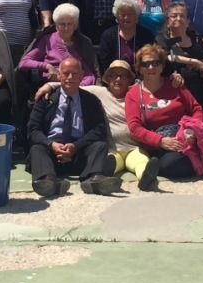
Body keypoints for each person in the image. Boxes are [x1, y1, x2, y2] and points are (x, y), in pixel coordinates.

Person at [33, 60, 160, 191]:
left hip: (127, 147)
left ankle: (144, 179)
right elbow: (70, 84)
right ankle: (50, 181)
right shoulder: (97, 92)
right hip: (108, 149)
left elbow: (155, 88)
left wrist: (175, 78)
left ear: (130, 79)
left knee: (134, 159)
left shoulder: (136, 94)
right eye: (113, 75)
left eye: (123, 76)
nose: (118, 79)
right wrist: (49, 85)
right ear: (108, 78)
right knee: (37, 148)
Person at [126, 45, 203, 179]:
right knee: (171, 166)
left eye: (155, 63)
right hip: (161, 144)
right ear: (139, 68)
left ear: (162, 66)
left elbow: (196, 109)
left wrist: (193, 130)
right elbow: (134, 128)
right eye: (146, 64)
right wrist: (161, 141)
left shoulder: (175, 85)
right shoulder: (134, 94)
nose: (151, 67)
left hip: (188, 136)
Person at [27, 57, 121, 196]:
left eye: (75, 73)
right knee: (36, 148)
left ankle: (94, 179)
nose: (70, 77)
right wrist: (50, 144)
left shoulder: (91, 100)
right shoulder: (46, 99)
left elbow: (98, 129)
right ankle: (49, 181)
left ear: (82, 75)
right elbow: (33, 130)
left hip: (79, 151)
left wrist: (75, 146)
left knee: (100, 145)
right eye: (66, 73)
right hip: (52, 153)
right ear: (58, 75)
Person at [158, 1, 203, 133]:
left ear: (188, 21)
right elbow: (165, 56)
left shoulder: (196, 39)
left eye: (182, 16)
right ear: (167, 21)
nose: (178, 19)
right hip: (176, 90)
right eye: (174, 16)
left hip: (201, 90)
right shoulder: (162, 39)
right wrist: (194, 62)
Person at [19, 3, 98, 86]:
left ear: (75, 26)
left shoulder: (82, 43)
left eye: (70, 24)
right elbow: (23, 63)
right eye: (62, 24)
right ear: (56, 26)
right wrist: (47, 66)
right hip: (52, 87)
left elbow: (90, 75)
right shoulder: (47, 40)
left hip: (79, 88)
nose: (66, 28)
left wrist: (79, 87)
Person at [97, 0, 155, 72]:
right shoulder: (107, 36)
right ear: (117, 16)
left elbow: (150, 60)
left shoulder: (146, 35)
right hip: (115, 79)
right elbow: (104, 64)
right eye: (123, 14)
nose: (126, 18)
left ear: (136, 16)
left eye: (130, 14)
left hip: (141, 80)